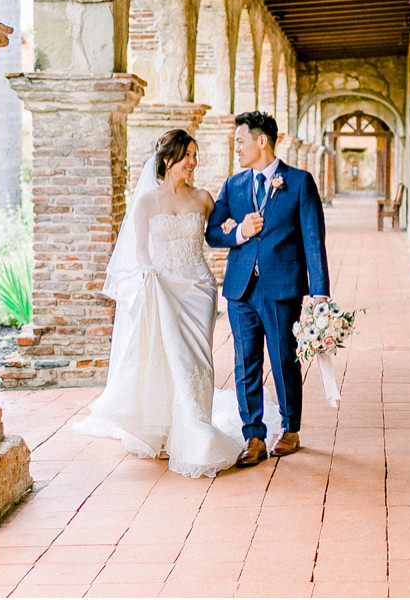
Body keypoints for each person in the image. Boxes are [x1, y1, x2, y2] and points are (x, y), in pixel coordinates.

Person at [73, 129, 278, 477]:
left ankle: (197, 422)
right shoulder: (146, 202)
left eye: (196, 156)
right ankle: (179, 428)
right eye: (187, 156)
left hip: (199, 289)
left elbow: (221, 231)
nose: (193, 163)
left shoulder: (204, 198)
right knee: (174, 361)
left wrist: (239, 227)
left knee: (198, 361)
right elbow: (139, 251)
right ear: (168, 160)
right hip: (165, 289)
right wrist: (149, 272)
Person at [206, 111, 331, 467]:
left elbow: (313, 240)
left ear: (262, 141)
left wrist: (319, 292)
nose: (237, 149)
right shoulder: (234, 185)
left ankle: (290, 428)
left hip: (282, 288)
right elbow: (213, 232)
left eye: (240, 142)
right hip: (241, 289)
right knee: (244, 363)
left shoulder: (299, 182)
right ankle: (254, 436)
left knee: (282, 360)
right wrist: (240, 232)